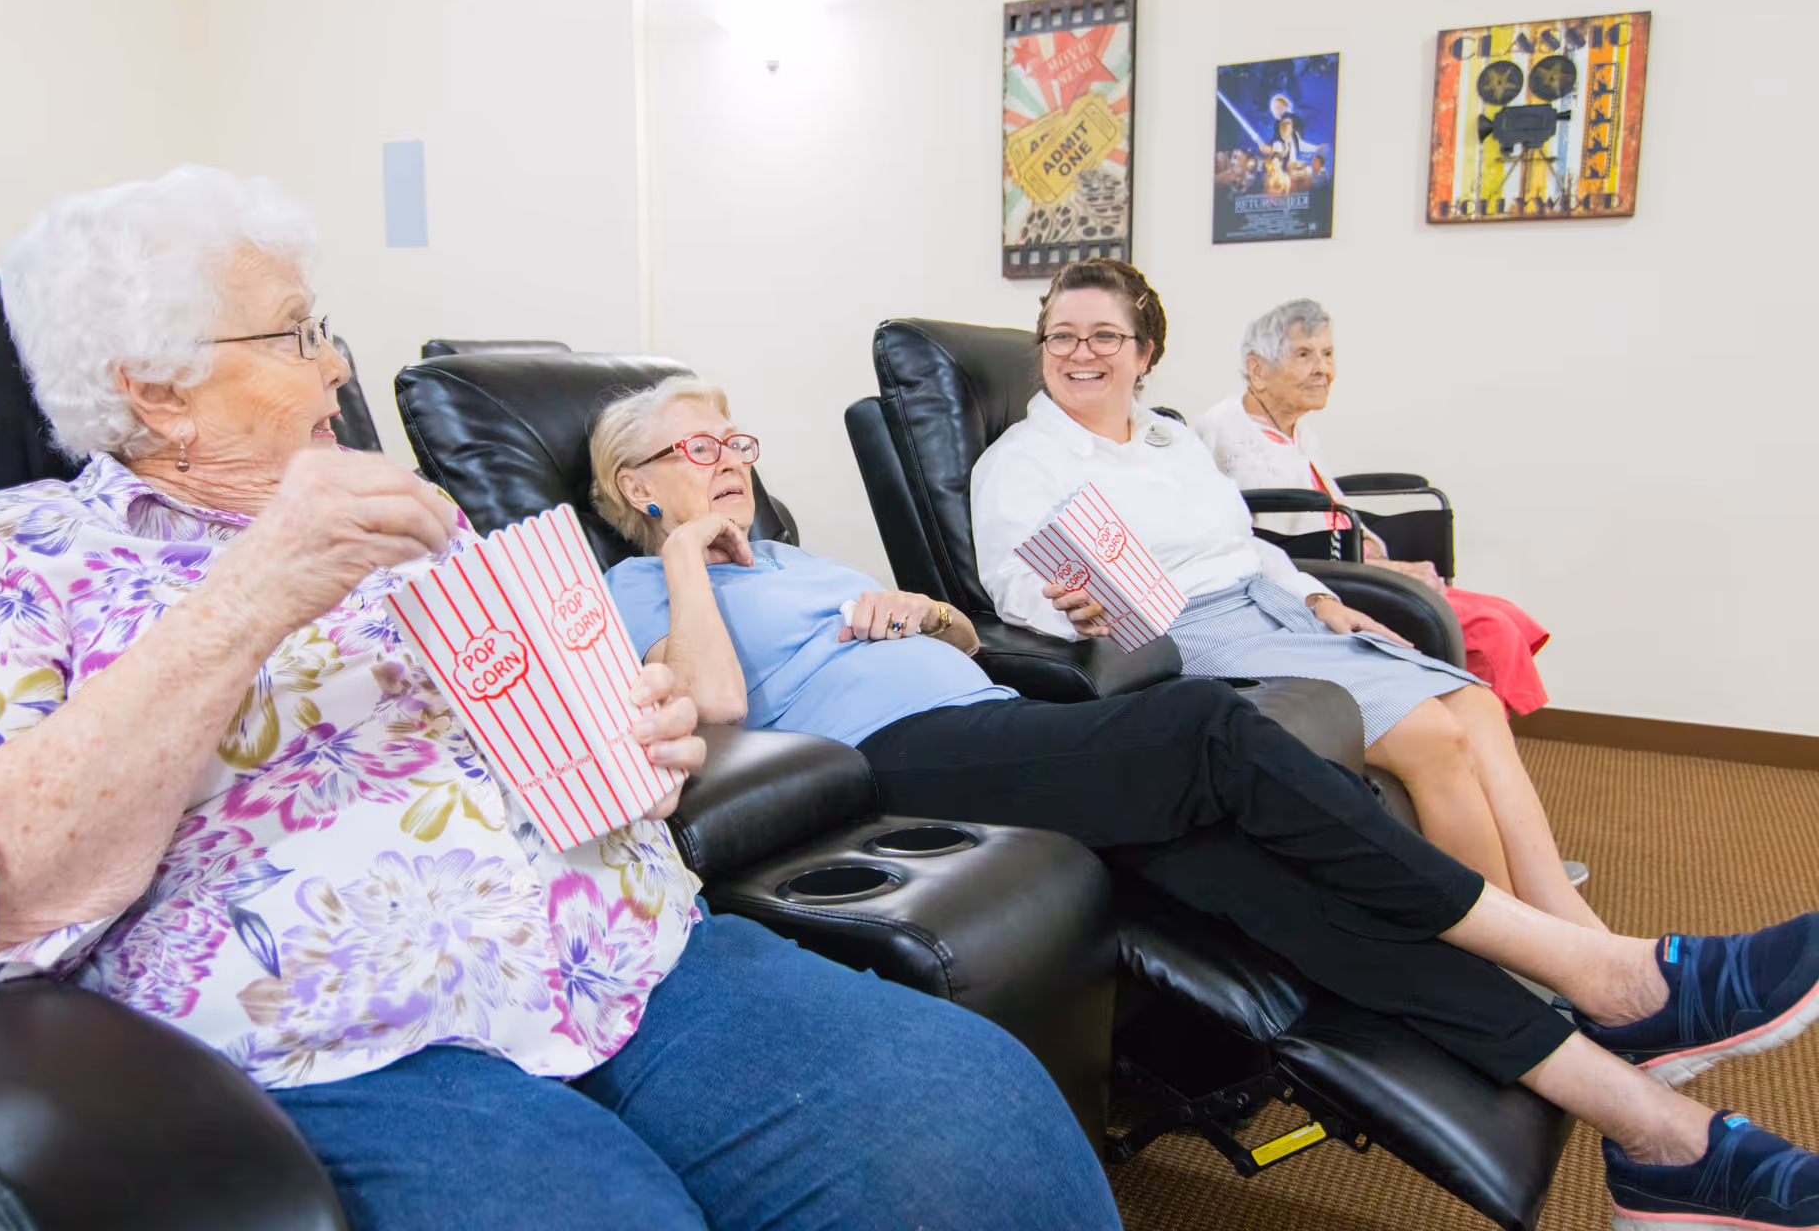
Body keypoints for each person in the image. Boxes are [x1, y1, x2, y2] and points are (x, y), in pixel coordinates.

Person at [0, 167, 1118, 1231]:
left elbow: (572, 714)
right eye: (290, 335)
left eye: (321, 326)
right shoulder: (9, 555)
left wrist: (638, 726)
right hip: (352, 1045)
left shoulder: (407, 522)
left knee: (975, 1124)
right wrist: (248, 595)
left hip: (643, 954)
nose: (335, 363)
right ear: (157, 391)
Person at [589, 373, 1819, 1230]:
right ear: (634, 483)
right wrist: (687, 552)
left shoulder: (807, 557)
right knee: (1208, 724)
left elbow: (960, 630)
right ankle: (1608, 976)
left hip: (991, 720)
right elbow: (712, 704)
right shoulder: (639, 585)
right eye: (696, 451)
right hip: (896, 764)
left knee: (1268, 882)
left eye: (735, 441)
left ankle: (1660, 1138)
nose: (729, 463)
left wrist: (924, 609)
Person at [971, 258, 1594, 929]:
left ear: (1143, 351)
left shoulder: (1169, 439)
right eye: (1061, 336)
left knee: (1474, 702)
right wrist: (1071, 609)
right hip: (1180, 636)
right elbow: (1015, 583)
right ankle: (1527, 968)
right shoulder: (1022, 459)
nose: (1080, 353)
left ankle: (1570, 927)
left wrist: (1318, 600)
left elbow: (1244, 543)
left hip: (1268, 610)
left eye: (1104, 336)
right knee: (1431, 734)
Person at [1193, 297, 1552, 718]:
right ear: (1257, 368)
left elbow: (1328, 508)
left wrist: (1377, 548)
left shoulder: (1296, 430)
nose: (1323, 369)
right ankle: (1470, 735)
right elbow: (1279, 541)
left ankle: (1473, 731)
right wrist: (1389, 570)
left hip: (1353, 560)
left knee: (1509, 614)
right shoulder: (1226, 432)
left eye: (1327, 354)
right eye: (1304, 355)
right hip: (1317, 581)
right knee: (1493, 629)